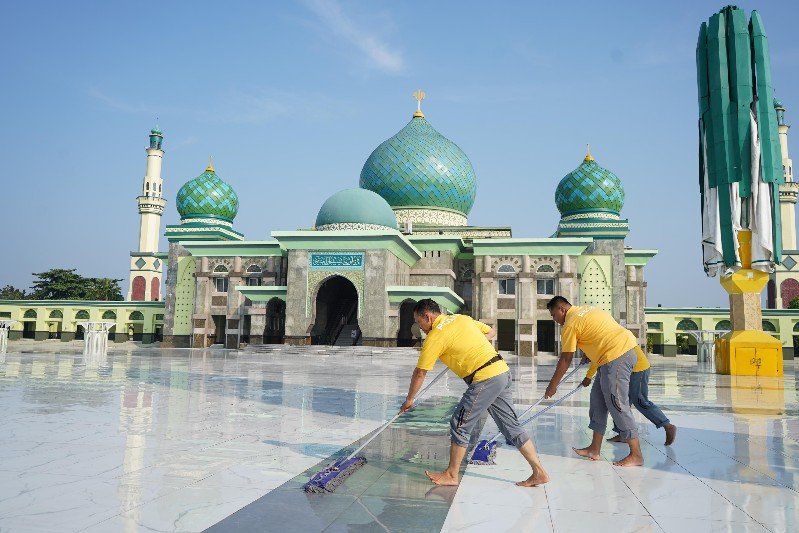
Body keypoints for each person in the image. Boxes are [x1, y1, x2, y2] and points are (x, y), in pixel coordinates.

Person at [400, 299, 550, 487]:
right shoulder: (460, 318)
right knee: (511, 426)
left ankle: (451, 475)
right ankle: (539, 472)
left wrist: (409, 400)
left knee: (460, 424)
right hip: (501, 372)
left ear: (427, 317)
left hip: (485, 379)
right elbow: (491, 332)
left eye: (419, 322)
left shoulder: (435, 336)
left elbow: (420, 373)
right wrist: (468, 345)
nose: (419, 327)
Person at [544, 296, 643, 467]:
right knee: (598, 401)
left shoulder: (570, 323)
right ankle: (594, 449)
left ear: (561, 309)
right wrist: (590, 351)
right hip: (609, 357)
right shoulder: (587, 309)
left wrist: (553, 385)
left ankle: (636, 454)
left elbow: (566, 358)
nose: (554, 319)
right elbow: (599, 332)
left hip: (617, 355)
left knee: (617, 403)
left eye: (553, 315)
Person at [582, 345, 677, 446]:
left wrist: (588, 376)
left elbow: (599, 358)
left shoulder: (605, 338)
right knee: (619, 401)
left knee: (640, 401)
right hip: (623, 369)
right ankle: (623, 434)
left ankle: (667, 425)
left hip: (638, 369)